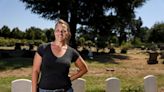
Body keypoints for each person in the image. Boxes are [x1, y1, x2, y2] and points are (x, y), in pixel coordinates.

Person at [32, 19, 88, 92]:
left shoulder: (72, 52)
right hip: (44, 90)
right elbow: (35, 71)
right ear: (54, 32)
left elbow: (84, 69)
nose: (60, 33)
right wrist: (33, 90)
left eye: (64, 31)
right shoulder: (43, 48)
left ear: (67, 33)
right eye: (58, 30)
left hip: (65, 90)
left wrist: (70, 78)